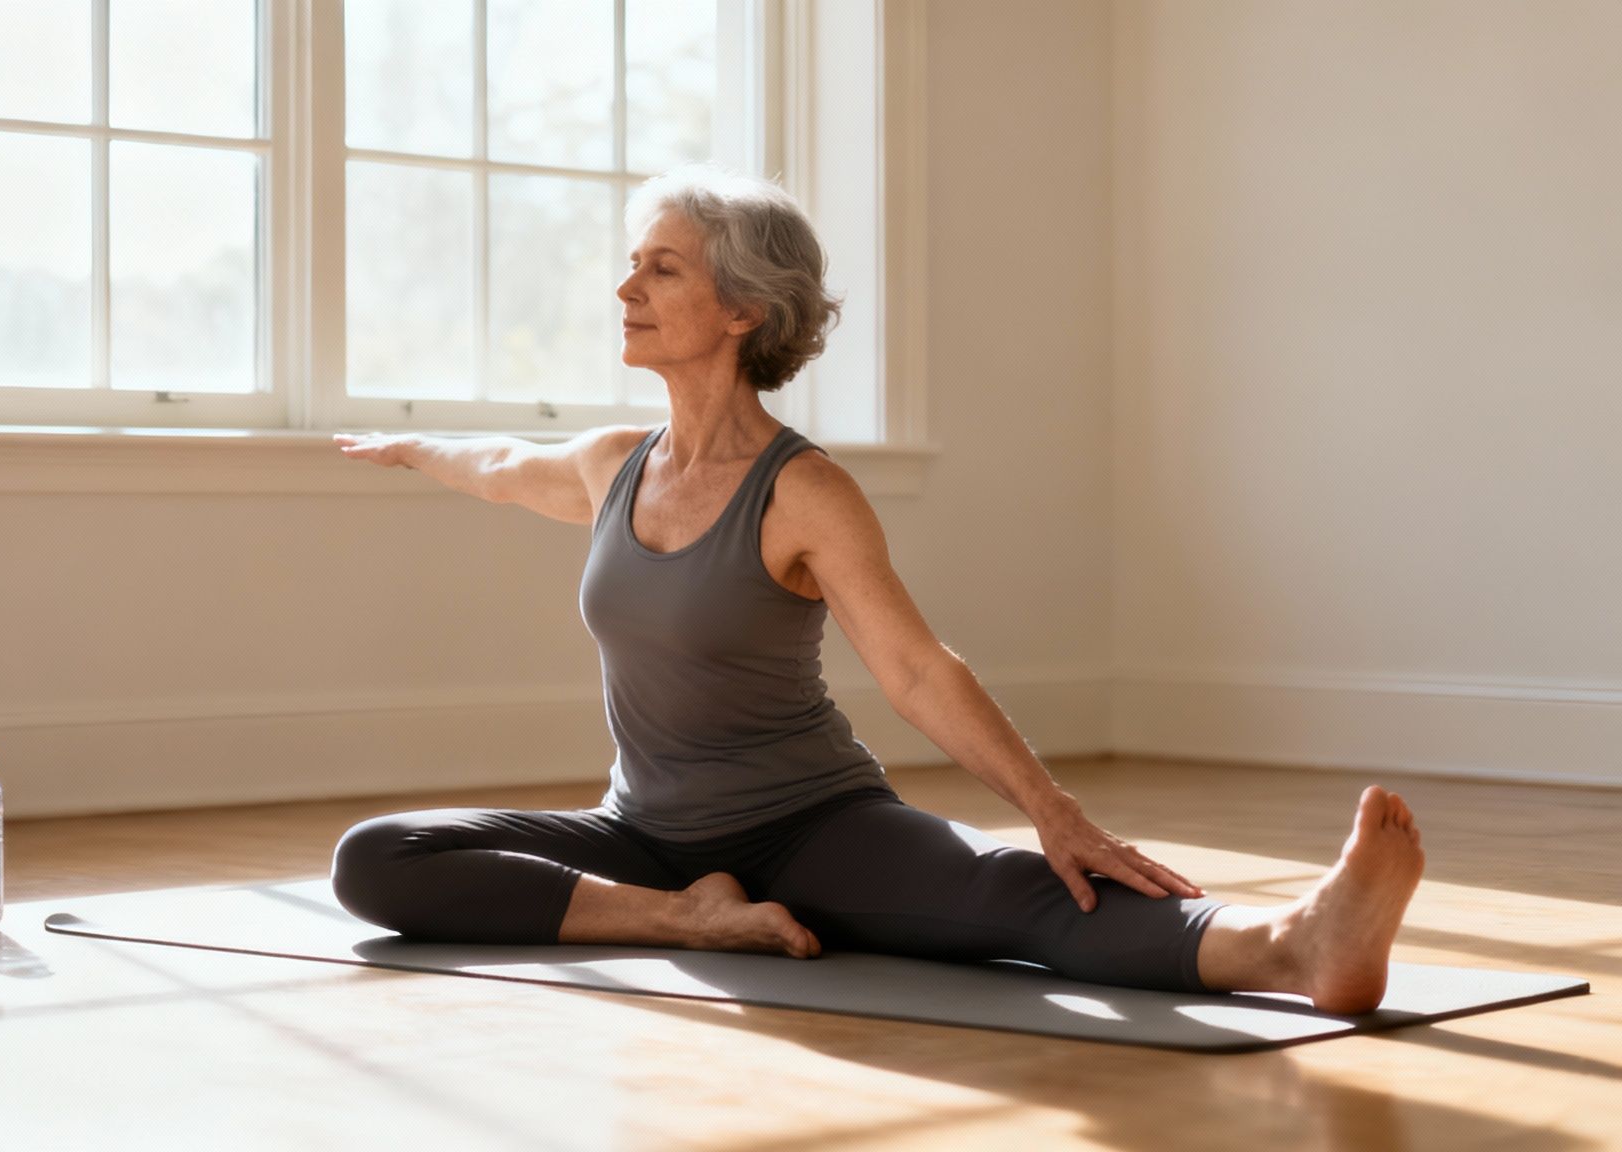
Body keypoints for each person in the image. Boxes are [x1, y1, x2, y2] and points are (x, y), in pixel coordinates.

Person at [330, 164, 1425, 1014]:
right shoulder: (612, 463)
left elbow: (912, 668)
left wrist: (1055, 813)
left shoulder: (801, 491)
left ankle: (1292, 944)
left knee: (1019, 900)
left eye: (661, 268)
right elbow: (492, 469)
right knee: (378, 861)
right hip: (644, 838)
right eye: (632, 262)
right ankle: (693, 921)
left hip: (806, 826)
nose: (626, 286)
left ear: (742, 311)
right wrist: (409, 449)